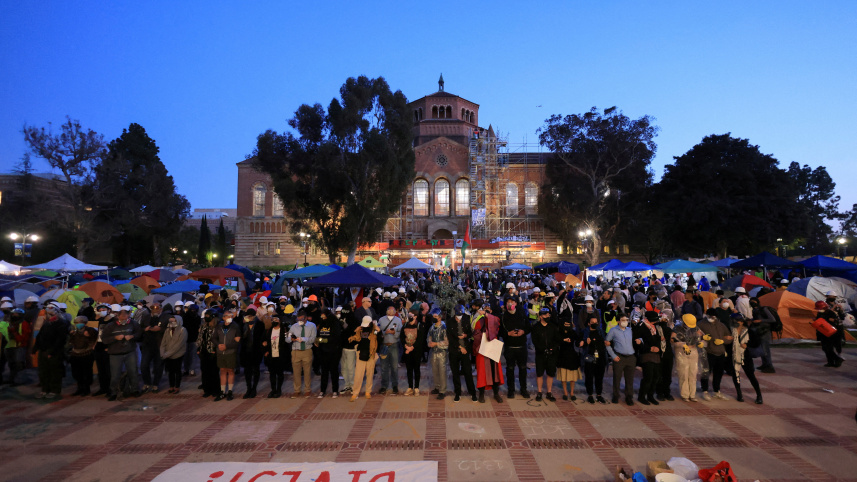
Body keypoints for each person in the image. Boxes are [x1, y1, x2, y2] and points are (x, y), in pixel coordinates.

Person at [102, 307, 142, 401]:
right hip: (115, 353)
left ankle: (134, 390)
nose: (124, 320)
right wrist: (115, 338)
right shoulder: (110, 326)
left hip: (130, 352)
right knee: (115, 374)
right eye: (122, 318)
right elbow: (104, 339)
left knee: (133, 371)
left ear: (129, 315)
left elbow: (139, 333)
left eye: (126, 318)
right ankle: (114, 392)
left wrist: (132, 336)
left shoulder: (133, 323)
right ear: (118, 316)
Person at [698, 310, 733, 401]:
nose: (711, 318)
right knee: (706, 372)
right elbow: (693, 335)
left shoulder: (722, 325)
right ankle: (704, 390)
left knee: (718, 373)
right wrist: (702, 337)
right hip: (708, 352)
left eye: (713, 316)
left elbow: (729, 337)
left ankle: (716, 391)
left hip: (720, 352)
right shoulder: (701, 324)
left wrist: (723, 341)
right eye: (710, 316)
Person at [500, 297, 530, 399]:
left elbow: (529, 327)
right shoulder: (503, 317)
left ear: (516, 303)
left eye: (512, 302)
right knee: (510, 369)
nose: (510, 304)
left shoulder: (522, 314)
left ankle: (523, 389)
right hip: (510, 347)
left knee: (522, 368)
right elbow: (500, 331)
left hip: (521, 346)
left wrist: (523, 331)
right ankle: (511, 390)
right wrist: (508, 333)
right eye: (508, 302)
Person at [671, 314, 706, 402]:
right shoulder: (677, 328)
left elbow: (702, 336)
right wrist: (682, 345)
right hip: (681, 352)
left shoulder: (696, 328)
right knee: (683, 373)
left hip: (693, 350)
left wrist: (702, 341)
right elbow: (672, 340)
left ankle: (692, 394)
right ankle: (685, 394)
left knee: (693, 373)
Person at [729, 314, 763, 404]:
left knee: (751, 376)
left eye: (736, 321)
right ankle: (739, 394)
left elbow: (757, 342)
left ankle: (759, 395)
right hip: (734, 356)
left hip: (746, 356)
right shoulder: (731, 331)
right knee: (736, 375)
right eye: (733, 321)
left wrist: (747, 346)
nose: (734, 322)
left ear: (741, 321)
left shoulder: (749, 331)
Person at [606, 312, 636, 405]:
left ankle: (629, 396)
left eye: (626, 320)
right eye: (623, 320)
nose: (625, 322)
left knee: (630, 379)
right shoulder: (613, 330)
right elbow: (607, 343)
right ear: (618, 321)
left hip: (631, 357)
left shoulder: (629, 330)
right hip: (619, 357)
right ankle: (616, 395)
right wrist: (613, 356)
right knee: (617, 377)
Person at [447, 306, 476, 402]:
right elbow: (450, 338)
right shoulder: (450, 322)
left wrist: (466, 335)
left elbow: (471, 333)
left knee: (468, 372)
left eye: (461, 315)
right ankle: (457, 393)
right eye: (458, 315)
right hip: (454, 350)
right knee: (455, 373)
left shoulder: (466, 320)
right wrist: (460, 347)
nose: (460, 317)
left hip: (465, 351)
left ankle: (472, 392)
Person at [634, 311, 664, 406]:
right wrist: (649, 348)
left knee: (656, 376)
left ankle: (650, 396)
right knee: (648, 376)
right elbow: (637, 342)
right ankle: (642, 396)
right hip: (646, 354)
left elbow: (658, 338)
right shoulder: (641, 326)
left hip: (656, 354)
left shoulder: (656, 327)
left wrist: (658, 347)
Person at [531, 307, 559, 402]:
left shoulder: (553, 326)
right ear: (541, 316)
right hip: (540, 353)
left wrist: (552, 349)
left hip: (552, 354)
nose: (548, 316)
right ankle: (539, 392)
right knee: (539, 373)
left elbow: (556, 339)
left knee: (550, 373)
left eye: (548, 314)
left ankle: (549, 392)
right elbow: (535, 340)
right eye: (545, 314)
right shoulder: (536, 327)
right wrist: (542, 349)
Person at [212, 310, 241, 401]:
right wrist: (218, 345)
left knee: (230, 371)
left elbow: (238, 342)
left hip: (231, 352)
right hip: (221, 353)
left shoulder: (235, 327)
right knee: (223, 370)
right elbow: (214, 338)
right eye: (227, 316)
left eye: (231, 316)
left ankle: (230, 391)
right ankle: (222, 391)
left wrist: (226, 346)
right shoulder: (219, 326)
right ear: (223, 317)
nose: (229, 318)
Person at [349, 316, 380, 401]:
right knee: (358, 374)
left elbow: (379, 336)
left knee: (370, 374)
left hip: (371, 353)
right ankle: (355, 393)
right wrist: (354, 335)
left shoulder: (374, 330)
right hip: (361, 353)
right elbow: (356, 336)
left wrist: (377, 329)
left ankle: (368, 391)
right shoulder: (360, 329)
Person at [287, 309, 316, 397]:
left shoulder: (312, 326)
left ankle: (307, 389)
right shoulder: (293, 326)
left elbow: (312, 339)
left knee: (307, 371)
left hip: (307, 350)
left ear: (306, 318)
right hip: (296, 351)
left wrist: (303, 339)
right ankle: (297, 390)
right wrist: (290, 339)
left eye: (301, 319)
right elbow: (287, 339)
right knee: (296, 372)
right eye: (298, 320)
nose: (299, 321)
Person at [67, 315, 97, 396]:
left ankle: (86, 389)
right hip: (76, 354)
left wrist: (89, 335)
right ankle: (80, 388)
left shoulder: (90, 330)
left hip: (86, 353)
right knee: (77, 373)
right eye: (76, 323)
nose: (77, 324)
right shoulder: (75, 331)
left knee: (86, 373)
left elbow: (95, 338)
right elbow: (71, 342)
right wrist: (71, 335)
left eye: (79, 322)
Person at [315, 309, 343, 398]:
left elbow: (335, 337)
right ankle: (322, 390)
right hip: (323, 351)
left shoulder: (335, 323)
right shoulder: (322, 323)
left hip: (333, 351)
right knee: (324, 372)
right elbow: (319, 336)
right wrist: (318, 340)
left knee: (334, 372)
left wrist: (322, 340)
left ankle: (335, 390)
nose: (322, 317)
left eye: (324, 315)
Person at [140, 303, 166, 394]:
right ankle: (147, 383)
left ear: (161, 309)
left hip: (159, 344)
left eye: (157, 308)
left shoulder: (165, 317)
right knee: (144, 365)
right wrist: (145, 329)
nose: (155, 310)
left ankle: (156, 384)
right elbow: (140, 328)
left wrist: (160, 329)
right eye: (153, 308)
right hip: (148, 344)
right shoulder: (146, 317)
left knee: (158, 366)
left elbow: (168, 328)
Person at [0, 308, 30, 386]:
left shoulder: (24, 324)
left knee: (18, 363)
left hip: (19, 346)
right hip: (9, 346)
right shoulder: (10, 323)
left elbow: (25, 336)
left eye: (16, 314)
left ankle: (18, 380)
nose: (14, 315)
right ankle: (12, 379)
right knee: (11, 364)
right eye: (13, 314)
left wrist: (14, 333)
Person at [582, 313, 607, 404]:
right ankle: (590, 395)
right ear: (589, 323)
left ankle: (599, 395)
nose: (595, 324)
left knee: (599, 377)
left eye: (596, 322)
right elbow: (580, 344)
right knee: (589, 377)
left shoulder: (600, 331)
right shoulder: (585, 332)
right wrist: (585, 342)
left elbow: (604, 343)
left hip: (600, 357)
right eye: (592, 322)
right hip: (590, 357)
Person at [377, 305, 402, 395]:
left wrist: (394, 332)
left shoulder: (398, 320)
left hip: (394, 345)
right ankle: (384, 385)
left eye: (393, 310)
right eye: (389, 310)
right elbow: (377, 331)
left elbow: (400, 332)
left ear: (395, 311)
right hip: (384, 345)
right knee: (384, 367)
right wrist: (384, 332)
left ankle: (395, 385)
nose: (391, 311)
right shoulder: (381, 320)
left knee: (394, 367)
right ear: (387, 311)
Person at [240, 309, 266, 398]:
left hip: (256, 351)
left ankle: (254, 388)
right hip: (246, 351)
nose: (247, 318)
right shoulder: (244, 325)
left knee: (255, 370)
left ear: (253, 316)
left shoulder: (260, 325)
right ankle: (248, 388)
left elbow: (262, 337)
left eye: (249, 316)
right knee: (247, 371)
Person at [160, 311, 187, 394]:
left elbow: (179, 345)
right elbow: (163, 343)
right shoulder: (167, 330)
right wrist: (162, 353)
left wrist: (167, 354)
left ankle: (177, 387)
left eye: (173, 321)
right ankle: (171, 386)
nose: (171, 323)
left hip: (178, 354)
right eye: (170, 321)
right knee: (170, 371)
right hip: (167, 355)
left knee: (177, 370)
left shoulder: (183, 330)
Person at [401, 307, 426, 396]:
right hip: (407, 350)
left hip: (416, 351)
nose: (409, 316)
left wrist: (411, 348)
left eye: (411, 315)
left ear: (415, 316)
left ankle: (416, 387)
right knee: (409, 369)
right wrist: (406, 346)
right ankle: (410, 387)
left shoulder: (419, 326)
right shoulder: (405, 325)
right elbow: (402, 337)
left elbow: (420, 339)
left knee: (416, 369)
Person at [557, 315, 581, 401]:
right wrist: (563, 340)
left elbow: (578, 340)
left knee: (572, 377)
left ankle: (572, 393)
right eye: (565, 324)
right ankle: (565, 393)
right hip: (562, 355)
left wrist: (581, 343)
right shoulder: (559, 332)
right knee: (563, 376)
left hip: (572, 356)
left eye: (568, 324)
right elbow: (557, 340)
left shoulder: (573, 332)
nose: (567, 326)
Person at [427, 308, 450, 400]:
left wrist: (436, 343)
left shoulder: (444, 327)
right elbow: (429, 336)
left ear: (440, 318)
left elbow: (447, 342)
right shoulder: (432, 327)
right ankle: (437, 387)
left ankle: (442, 390)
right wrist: (429, 342)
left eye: (435, 316)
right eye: (433, 316)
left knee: (442, 371)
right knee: (435, 370)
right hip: (433, 352)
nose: (434, 318)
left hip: (442, 353)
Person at [197, 309, 221, 398]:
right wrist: (198, 348)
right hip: (204, 351)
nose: (206, 319)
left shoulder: (218, 327)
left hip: (213, 351)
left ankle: (216, 390)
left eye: (208, 317)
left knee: (214, 372)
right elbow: (200, 338)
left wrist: (215, 349)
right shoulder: (203, 327)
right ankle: (207, 389)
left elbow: (219, 339)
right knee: (205, 371)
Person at [263, 316, 288, 398]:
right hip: (271, 355)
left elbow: (286, 342)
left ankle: (279, 389)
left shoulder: (284, 330)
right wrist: (266, 349)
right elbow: (266, 341)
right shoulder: (269, 330)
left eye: (276, 320)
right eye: (273, 320)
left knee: (280, 373)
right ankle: (273, 390)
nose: (274, 321)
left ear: (279, 321)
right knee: (272, 374)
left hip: (280, 355)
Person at [340, 301, 361, 396]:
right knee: (344, 368)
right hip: (342, 347)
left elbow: (357, 333)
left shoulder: (354, 320)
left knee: (351, 367)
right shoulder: (340, 320)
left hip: (351, 347)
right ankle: (347, 384)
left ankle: (353, 385)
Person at [815, 300, 843, 367]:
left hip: (831, 333)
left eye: (820, 309)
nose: (819, 310)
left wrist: (831, 320)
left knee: (829, 348)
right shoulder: (820, 313)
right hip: (823, 332)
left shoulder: (831, 313)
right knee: (825, 348)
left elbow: (837, 321)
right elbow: (819, 320)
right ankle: (830, 362)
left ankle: (837, 359)